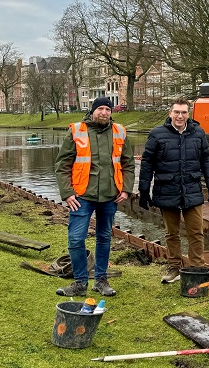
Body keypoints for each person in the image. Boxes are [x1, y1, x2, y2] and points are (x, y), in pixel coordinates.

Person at [54, 97, 135, 297]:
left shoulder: (119, 132)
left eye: (108, 109)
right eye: (100, 109)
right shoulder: (76, 130)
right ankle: (80, 283)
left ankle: (100, 280)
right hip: (82, 196)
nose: (104, 112)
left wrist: (126, 189)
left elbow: (128, 164)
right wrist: (67, 193)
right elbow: (62, 165)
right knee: (75, 239)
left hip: (110, 196)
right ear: (92, 111)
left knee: (104, 238)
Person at [137, 97, 209, 283]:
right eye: (176, 112)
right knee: (171, 233)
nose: (180, 116)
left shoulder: (198, 133)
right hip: (167, 189)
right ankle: (174, 267)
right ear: (170, 113)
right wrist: (143, 190)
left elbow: (206, 159)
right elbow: (147, 164)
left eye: (183, 112)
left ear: (188, 114)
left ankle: (197, 268)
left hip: (191, 189)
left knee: (196, 232)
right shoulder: (157, 134)